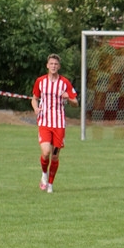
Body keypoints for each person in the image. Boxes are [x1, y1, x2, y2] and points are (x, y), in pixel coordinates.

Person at [31, 54, 78, 193]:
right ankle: (44, 175)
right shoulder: (40, 81)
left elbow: (75, 103)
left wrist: (68, 98)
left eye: (56, 64)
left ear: (59, 66)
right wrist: (35, 108)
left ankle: (50, 184)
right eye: (51, 64)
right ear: (47, 65)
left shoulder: (65, 83)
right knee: (45, 152)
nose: (53, 66)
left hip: (59, 123)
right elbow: (34, 99)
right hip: (45, 121)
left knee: (55, 155)